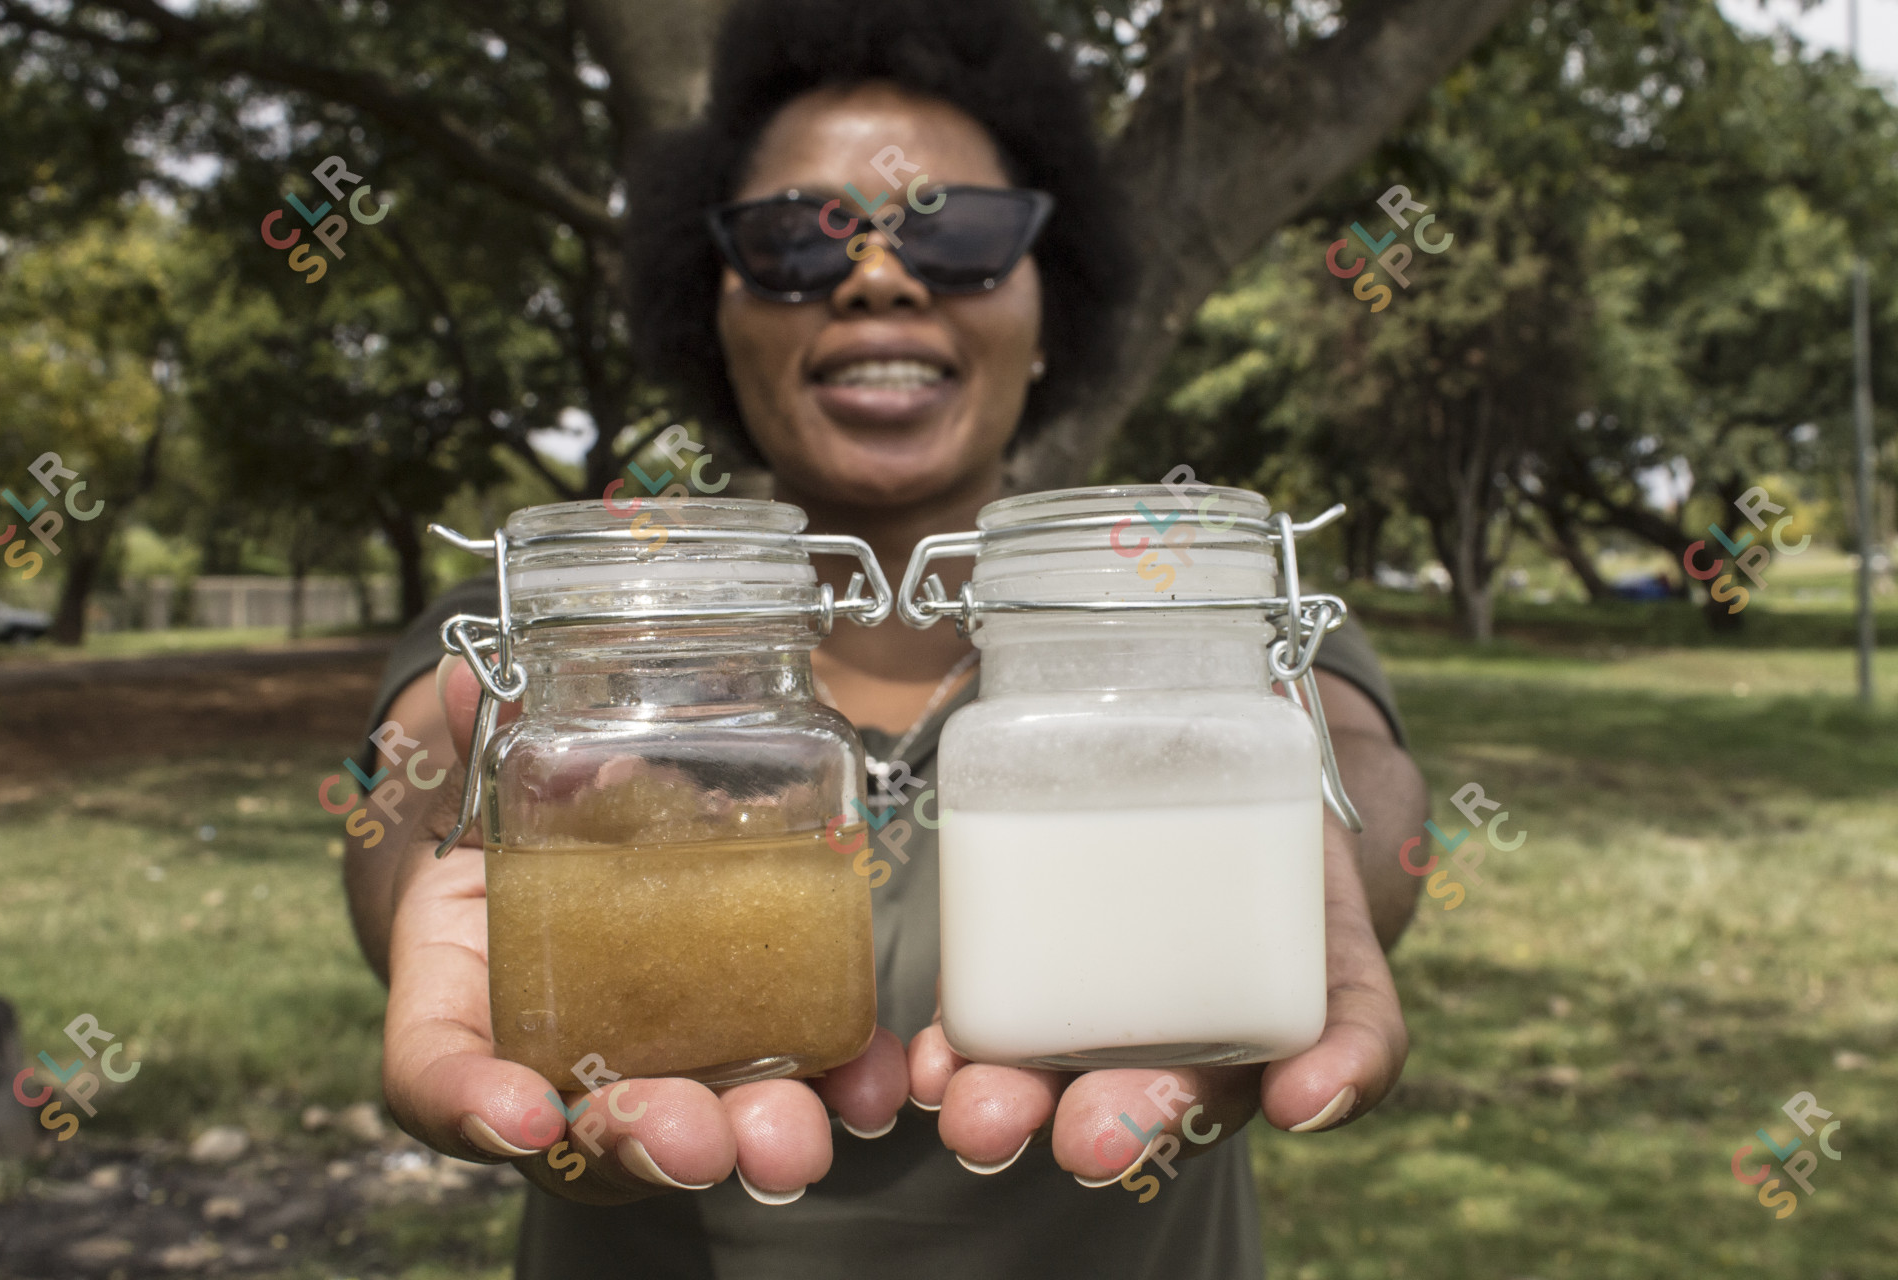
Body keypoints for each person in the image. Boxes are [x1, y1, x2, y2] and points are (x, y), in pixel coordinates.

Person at [343, 1, 1428, 1275]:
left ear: (1051, 300)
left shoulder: (1183, 596)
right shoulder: (573, 613)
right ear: (712, 305)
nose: (878, 276)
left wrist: (1317, 860)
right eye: (796, 240)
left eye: (958, 234)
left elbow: (1358, 760)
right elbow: (410, 789)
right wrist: (451, 846)